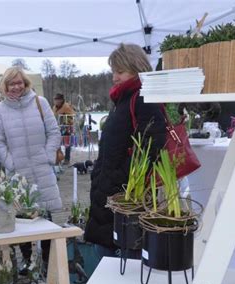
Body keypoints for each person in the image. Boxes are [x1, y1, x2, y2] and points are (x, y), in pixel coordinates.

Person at [84, 43, 166, 259]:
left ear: (136, 68)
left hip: (124, 198)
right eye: (113, 71)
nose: (114, 77)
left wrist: (120, 180)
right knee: (109, 259)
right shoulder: (124, 100)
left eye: (119, 71)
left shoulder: (143, 99)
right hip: (110, 193)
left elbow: (150, 149)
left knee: (122, 263)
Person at [0, 66, 62, 274]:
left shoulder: (41, 103)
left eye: (19, 82)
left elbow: (53, 132)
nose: (16, 87)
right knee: (21, 217)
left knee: (46, 217)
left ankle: (48, 261)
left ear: (26, 83)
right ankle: (27, 260)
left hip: (42, 169)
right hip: (18, 172)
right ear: (5, 86)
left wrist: (48, 155)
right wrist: (10, 162)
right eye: (11, 83)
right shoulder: (0, 110)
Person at [52, 93, 75, 164]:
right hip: (57, 127)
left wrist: (65, 120)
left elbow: (72, 116)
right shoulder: (54, 107)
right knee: (57, 143)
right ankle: (58, 158)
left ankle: (67, 159)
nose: (56, 101)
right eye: (55, 100)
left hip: (66, 128)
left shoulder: (66, 106)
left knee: (67, 144)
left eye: (57, 99)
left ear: (61, 100)